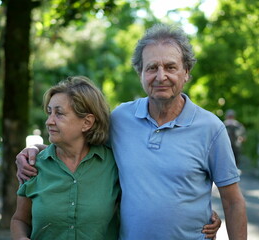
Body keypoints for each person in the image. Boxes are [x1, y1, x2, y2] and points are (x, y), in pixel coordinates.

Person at [17, 23, 246, 239]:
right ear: (140, 73)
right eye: (152, 68)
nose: (160, 76)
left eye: (170, 67)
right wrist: (36, 151)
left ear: (186, 72)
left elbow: (233, 202)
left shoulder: (211, 128)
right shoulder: (120, 119)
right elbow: (79, 146)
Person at [11, 76, 120, 240]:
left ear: (87, 122)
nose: (49, 121)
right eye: (49, 112)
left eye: (59, 114)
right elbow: (19, 220)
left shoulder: (114, 165)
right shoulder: (33, 165)